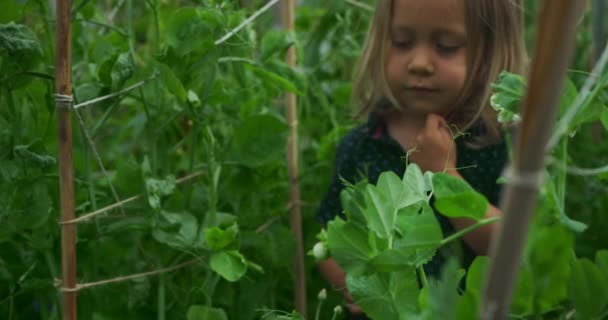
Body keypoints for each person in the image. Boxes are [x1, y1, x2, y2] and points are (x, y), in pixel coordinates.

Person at [315, 0, 528, 318]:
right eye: (402, 42)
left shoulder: (499, 146)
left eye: (446, 46)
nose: (419, 63)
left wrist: (445, 177)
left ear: (490, 53)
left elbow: (513, 249)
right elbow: (329, 239)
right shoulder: (362, 146)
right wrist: (354, 285)